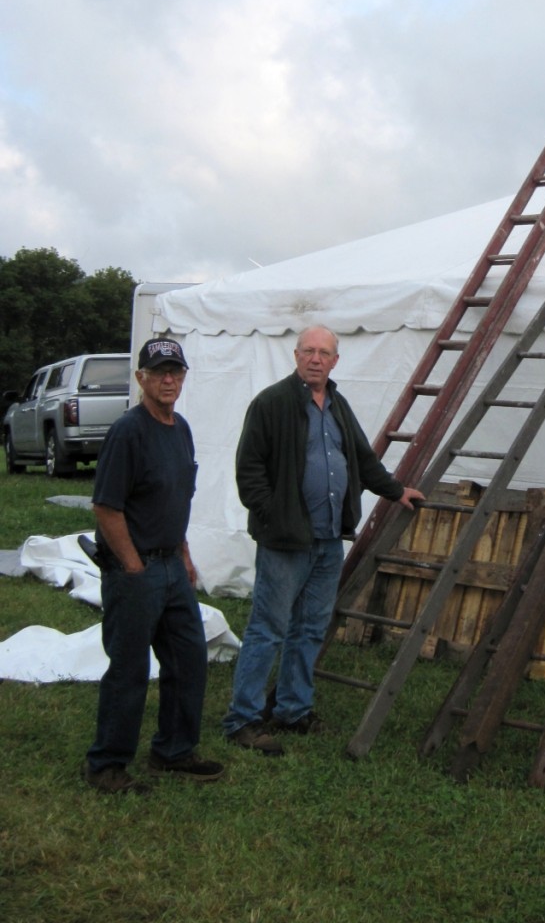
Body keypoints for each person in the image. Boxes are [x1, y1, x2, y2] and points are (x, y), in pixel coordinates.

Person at [222, 326, 424, 754]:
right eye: (308, 351)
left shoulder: (337, 405)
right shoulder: (272, 404)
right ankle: (243, 718)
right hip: (285, 541)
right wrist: (275, 517)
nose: (315, 359)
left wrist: (395, 490)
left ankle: (292, 709)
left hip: (329, 539)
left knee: (310, 628)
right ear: (296, 356)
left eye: (324, 353)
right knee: (268, 628)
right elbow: (249, 470)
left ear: (335, 361)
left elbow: (363, 459)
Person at [83, 338, 224, 793]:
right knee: (129, 669)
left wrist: (183, 555)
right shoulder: (129, 431)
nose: (168, 379)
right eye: (159, 371)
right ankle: (107, 765)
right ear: (141, 377)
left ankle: (174, 751)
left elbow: (174, 498)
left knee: (188, 658)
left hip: (171, 566)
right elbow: (106, 507)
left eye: (175, 372)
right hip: (136, 570)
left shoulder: (178, 428)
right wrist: (132, 566)